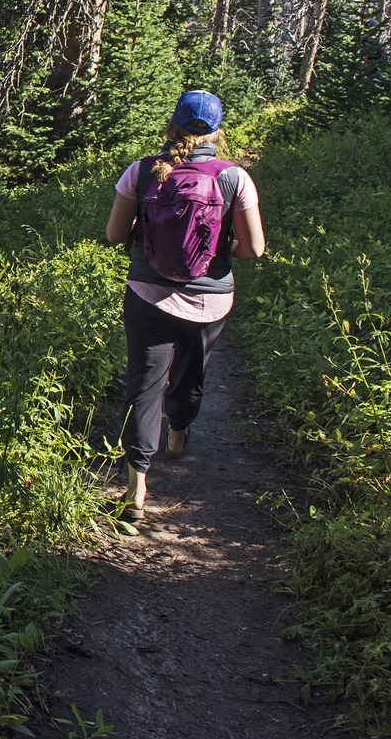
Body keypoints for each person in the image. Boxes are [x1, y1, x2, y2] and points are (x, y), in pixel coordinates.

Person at [103, 90, 266, 522]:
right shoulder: (234, 178)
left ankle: (136, 487)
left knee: (144, 384)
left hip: (147, 295)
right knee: (191, 371)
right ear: (217, 130)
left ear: (172, 124)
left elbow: (115, 235)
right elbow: (254, 249)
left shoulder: (141, 172)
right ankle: (178, 434)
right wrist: (218, 245)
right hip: (211, 300)